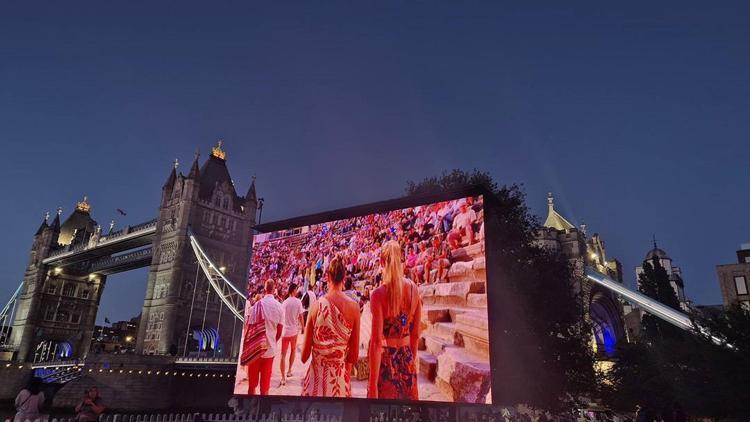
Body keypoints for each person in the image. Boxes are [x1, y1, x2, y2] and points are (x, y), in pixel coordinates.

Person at [368, 240, 422, 400]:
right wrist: (409, 361)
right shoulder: (413, 289)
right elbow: (416, 334)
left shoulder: (378, 294)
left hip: (386, 361)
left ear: (381, 262)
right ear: (400, 259)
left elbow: (376, 342)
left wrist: (372, 385)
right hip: (407, 357)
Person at [301, 255, 361, 397]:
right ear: (344, 278)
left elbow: (304, 357)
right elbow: (353, 357)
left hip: (315, 382)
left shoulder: (316, 306)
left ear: (327, 277)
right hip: (339, 383)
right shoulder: (354, 308)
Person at [246, 279, 283, 395]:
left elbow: (250, 328)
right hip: (269, 350)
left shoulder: (256, 305)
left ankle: (249, 410)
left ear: (265, 289)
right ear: (274, 289)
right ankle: (262, 411)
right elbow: (279, 331)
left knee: (252, 386)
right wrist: (272, 341)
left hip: (256, 350)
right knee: (265, 388)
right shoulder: (279, 307)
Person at [279, 283, 304, 386]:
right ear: (293, 290)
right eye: (296, 289)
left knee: (283, 354)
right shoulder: (298, 302)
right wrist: (303, 327)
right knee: (293, 350)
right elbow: (301, 316)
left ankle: (283, 377)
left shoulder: (284, 303)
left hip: (285, 331)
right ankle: (289, 370)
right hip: (294, 330)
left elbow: (281, 317)